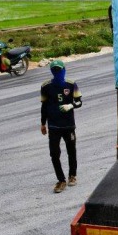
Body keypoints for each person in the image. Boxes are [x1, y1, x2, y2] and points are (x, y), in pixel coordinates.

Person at [40, 59, 82, 194]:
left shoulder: (71, 84)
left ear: (64, 69)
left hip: (68, 124)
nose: (57, 72)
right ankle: (61, 179)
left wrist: (70, 105)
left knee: (71, 150)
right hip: (53, 125)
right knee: (54, 153)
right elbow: (44, 106)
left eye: (59, 69)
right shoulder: (46, 86)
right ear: (52, 71)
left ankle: (72, 175)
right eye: (55, 70)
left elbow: (79, 101)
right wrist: (42, 123)